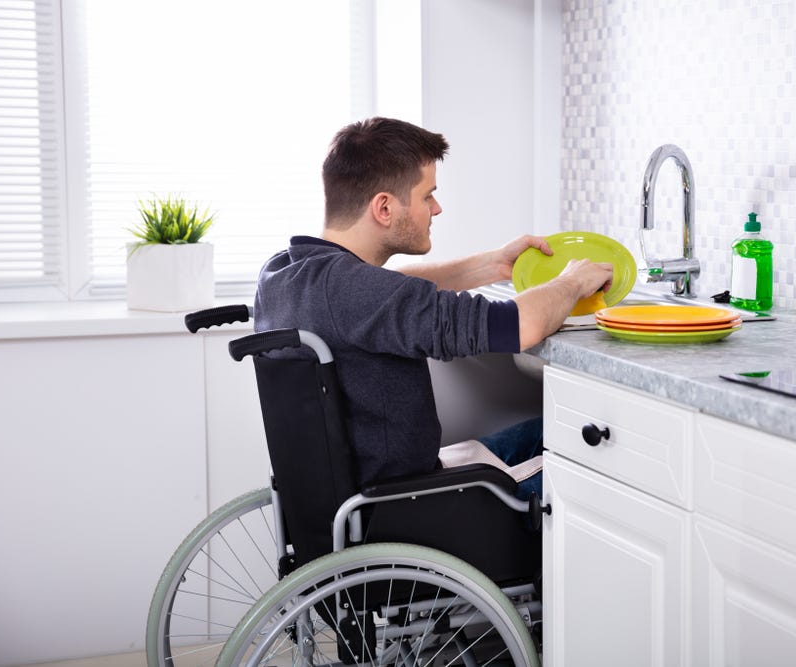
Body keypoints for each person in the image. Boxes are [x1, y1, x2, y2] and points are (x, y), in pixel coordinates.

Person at [253, 117, 612, 503]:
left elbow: (392, 290)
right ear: (384, 207)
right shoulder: (360, 292)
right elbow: (519, 325)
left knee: (552, 429)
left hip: (359, 499)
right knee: (598, 455)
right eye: (428, 195)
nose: (437, 208)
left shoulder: (284, 274)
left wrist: (492, 265)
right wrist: (573, 280)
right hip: (411, 508)